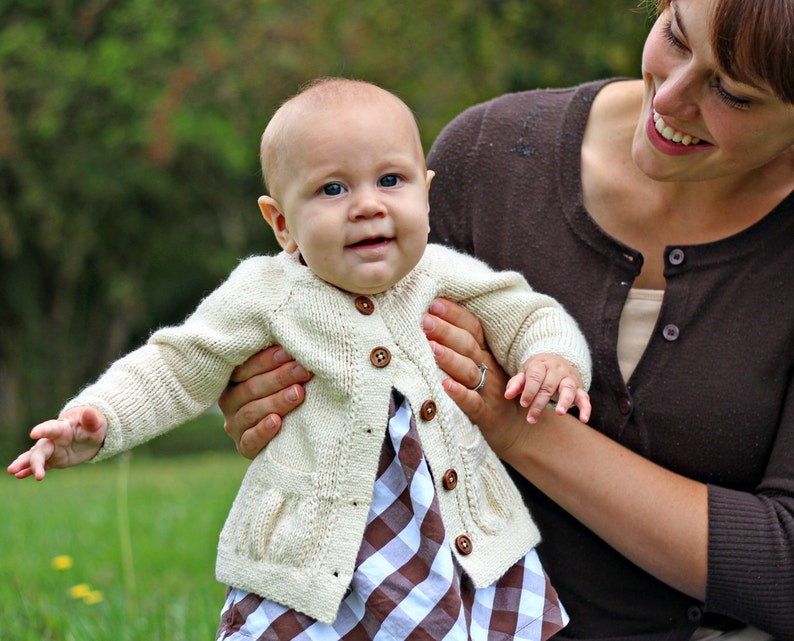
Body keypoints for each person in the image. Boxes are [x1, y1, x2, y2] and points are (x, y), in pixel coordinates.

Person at [216, 1, 794, 640]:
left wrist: (516, 425)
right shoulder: (491, 157)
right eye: (676, 39)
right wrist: (275, 389)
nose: (673, 96)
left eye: (734, 95)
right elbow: (343, 346)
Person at [8, 78, 593, 640]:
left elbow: (527, 313)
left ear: (426, 191)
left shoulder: (442, 273)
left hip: (457, 546)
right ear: (282, 223)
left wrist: (552, 359)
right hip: (314, 561)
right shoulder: (265, 294)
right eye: (332, 189)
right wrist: (99, 418)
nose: (367, 206)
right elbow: (175, 366)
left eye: (391, 180)